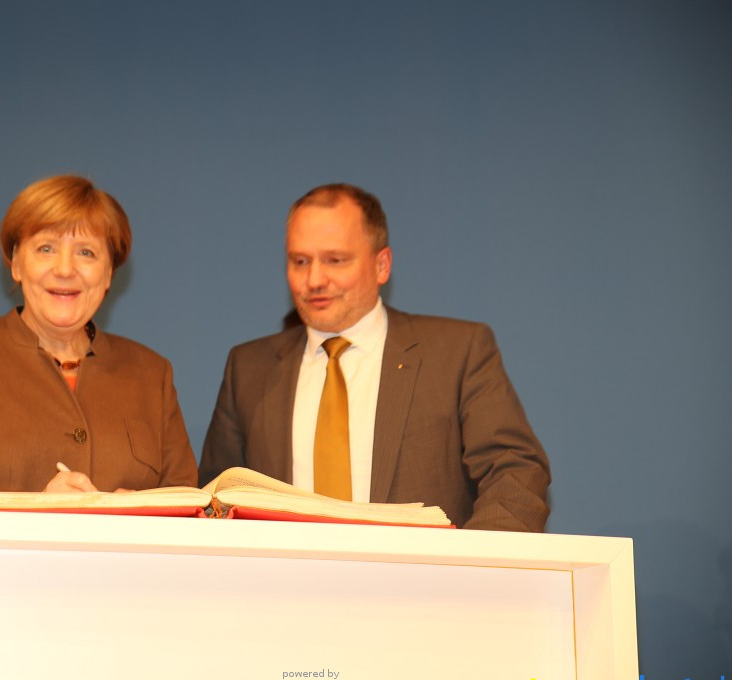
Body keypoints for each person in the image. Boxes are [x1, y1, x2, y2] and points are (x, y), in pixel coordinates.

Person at [199, 183, 550, 531]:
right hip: (285, 585)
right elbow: (215, 501)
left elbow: (516, 471)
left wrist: (472, 571)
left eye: (335, 260)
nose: (314, 279)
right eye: (300, 261)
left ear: (382, 265)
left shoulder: (458, 352)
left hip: (424, 585)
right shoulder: (247, 369)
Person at [0, 175, 198, 509]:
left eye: (86, 252)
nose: (65, 269)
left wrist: (148, 509)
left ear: (109, 273)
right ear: (16, 262)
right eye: (46, 249)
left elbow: (187, 504)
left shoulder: (151, 372)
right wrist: (34, 507)